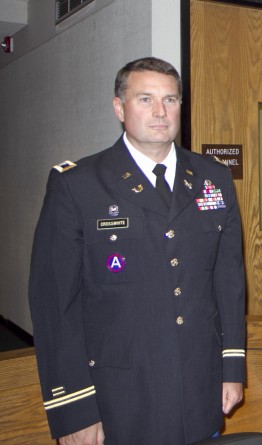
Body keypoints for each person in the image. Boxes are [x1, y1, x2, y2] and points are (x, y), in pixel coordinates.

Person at [28, 57, 246, 445]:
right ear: (119, 108)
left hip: (200, 387)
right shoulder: (77, 185)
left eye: (171, 99)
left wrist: (231, 367)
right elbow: (54, 304)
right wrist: (74, 408)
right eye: (145, 99)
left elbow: (227, 282)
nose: (161, 112)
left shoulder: (213, 178)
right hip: (120, 397)